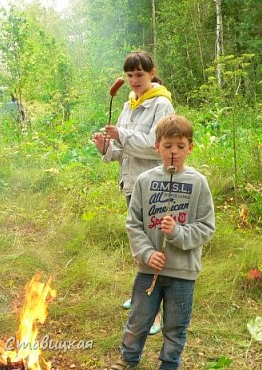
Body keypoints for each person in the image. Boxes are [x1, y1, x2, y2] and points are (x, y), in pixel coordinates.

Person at [110, 115, 216, 370]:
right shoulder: (145, 181)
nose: (173, 153)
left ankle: (169, 364)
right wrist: (146, 254)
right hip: (148, 271)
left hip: (183, 272)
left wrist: (178, 233)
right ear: (157, 146)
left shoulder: (198, 182)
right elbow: (134, 223)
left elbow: (206, 226)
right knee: (138, 320)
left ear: (190, 147)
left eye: (180, 146)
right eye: (167, 146)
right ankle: (128, 360)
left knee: (175, 325)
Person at [92, 50, 174, 334]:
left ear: (152, 73)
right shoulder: (128, 104)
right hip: (131, 184)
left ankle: (154, 314)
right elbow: (121, 152)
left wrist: (122, 135)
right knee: (140, 245)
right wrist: (105, 146)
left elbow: (156, 145)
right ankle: (142, 296)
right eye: (129, 75)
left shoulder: (161, 105)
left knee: (153, 247)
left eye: (139, 74)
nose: (134, 80)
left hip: (153, 185)